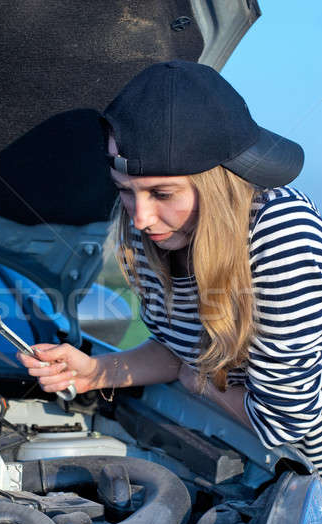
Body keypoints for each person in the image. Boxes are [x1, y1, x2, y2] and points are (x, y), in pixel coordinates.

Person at [17, 61, 322, 473]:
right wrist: (95, 373)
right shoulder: (156, 229)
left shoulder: (280, 233)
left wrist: (195, 381)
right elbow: (177, 350)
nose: (140, 217)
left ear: (218, 183)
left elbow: (286, 422)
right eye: (126, 191)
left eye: (162, 193)